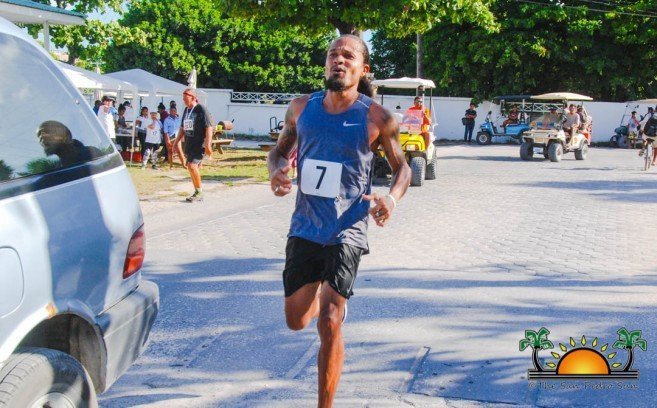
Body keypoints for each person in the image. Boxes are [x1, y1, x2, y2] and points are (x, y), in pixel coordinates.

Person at [267, 34, 411, 408]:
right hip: (306, 226)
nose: (339, 60)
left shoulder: (377, 117)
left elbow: (403, 169)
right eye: (333, 54)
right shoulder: (301, 108)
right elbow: (279, 152)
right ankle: (327, 297)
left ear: (363, 69)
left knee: (329, 320)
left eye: (348, 55)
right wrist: (277, 171)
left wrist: (391, 200)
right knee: (296, 320)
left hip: (348, 228)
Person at [172, 87, 214, 202]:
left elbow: (209, 127)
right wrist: (176, 142)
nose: (184, 100)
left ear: (193, 97)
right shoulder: (186, 110)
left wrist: (208, 145)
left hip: (200, 144)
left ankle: (199, 192)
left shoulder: (201, 109)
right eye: (183, 98)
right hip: (189, 144)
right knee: (190, 168)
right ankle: (197, 191)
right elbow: (182, 128)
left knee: (192, 166)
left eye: (186, 98)